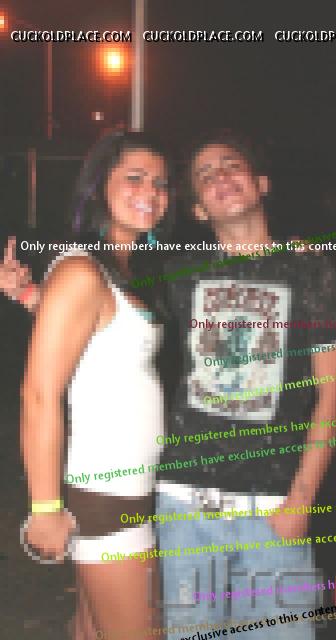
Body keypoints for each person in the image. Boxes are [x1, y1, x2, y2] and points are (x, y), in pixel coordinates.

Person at [155, 130, 336, 639]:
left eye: (231, 165)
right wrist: (33, 295)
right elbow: (108, 313)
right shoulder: (180, 274)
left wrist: (302, 500)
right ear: (198, 209)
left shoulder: (308, 269)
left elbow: (334, 394)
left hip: (273, 508)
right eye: (205, 174)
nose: (220, 175)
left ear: (261, 184)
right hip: (185, 505)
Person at [18, 128, 171, 639]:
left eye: (160, 183)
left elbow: (96, 340)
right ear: (99, 184)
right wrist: (44, 510)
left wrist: (28, 296)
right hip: (106, 498)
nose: (150, 192)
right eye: (135, 178)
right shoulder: (82, 272)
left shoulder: (118, 270)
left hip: (122, 493)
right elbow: (38, 394)